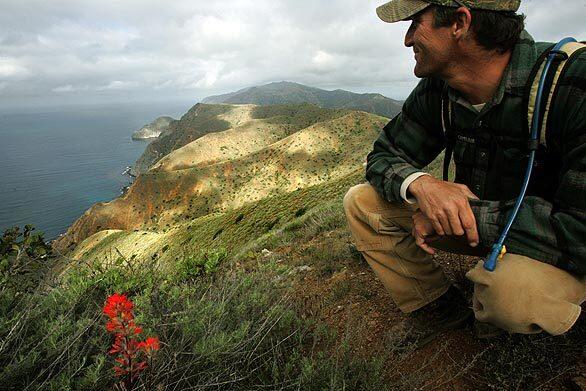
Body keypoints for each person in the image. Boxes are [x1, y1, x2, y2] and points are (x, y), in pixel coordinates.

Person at [343, 0, 585, 345]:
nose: (408, 40)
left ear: (460, 22)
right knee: (362, 203)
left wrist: (463, 213)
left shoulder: (572, 85)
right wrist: (423, 186)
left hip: (562, 246)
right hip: (491, 230)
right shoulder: (440, 89)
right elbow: (383, 155)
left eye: (415, 23)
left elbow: (579, 231)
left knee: (509, 295)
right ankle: (440, 309)